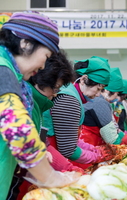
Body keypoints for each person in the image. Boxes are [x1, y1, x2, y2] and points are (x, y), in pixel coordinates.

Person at [0, 11, 79, 199]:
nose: (43, 66)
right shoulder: (3, 69)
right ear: (25, 43)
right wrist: (51, 178)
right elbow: (17, 130)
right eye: (46, 55)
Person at [43, 56, 114, 170]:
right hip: (46, 160)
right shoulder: (69, 100)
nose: (98, 95)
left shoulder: (70, 92)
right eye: (98, 89)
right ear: (83, 79)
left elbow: (69, 138)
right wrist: (97, 156)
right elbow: (68, 149)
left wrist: (94, 150)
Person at [79, 68, 127, 147]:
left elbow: (115, 128)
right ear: (107, 90)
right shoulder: (100, 102)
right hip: (89, 145)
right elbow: (112, 138)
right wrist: (125, 147)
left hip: (90, 145)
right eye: (117, 94)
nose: (117, 97)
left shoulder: (101, 101)